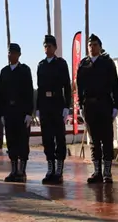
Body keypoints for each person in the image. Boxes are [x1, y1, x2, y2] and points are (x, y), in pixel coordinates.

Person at [77, 34, 118, 184]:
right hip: (90, 106)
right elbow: (79, 87)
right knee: (94, 141)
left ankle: (107, 172)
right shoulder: (83, 65)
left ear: (100, 47)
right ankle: (97, 172)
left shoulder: (107, 63)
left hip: (104, 105)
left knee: (107, 139)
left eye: (95, 44)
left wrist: (116, 106)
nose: (92, 47)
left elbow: (115, 86)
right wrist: (80, 105)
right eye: (90, 45)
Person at [36, 34, 72, 184]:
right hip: (45, 105)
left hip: (57, 104)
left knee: (59, 138)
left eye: (49, 46)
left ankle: (59, 170)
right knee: (47, 139)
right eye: (45, 46)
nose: (47, 48)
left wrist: (66, 107)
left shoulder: (61, 64)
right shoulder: (41, 65)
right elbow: (39, 88)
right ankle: (50, 168)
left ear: (55, 47)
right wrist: (37, 108)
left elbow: (67, 87)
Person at [0, 42, 34, 183]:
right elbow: (1, 94)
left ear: (18, 55)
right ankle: (13, 170)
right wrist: (1, 113)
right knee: (11, 141)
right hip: (9, 111)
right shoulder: (4, 71)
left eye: (13, 53)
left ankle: (22, 171)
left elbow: (29, 92)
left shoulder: (24, 70)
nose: (10, 55)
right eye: (9, 53)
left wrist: (28, 113)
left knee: (22, 141)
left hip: (21, 111)